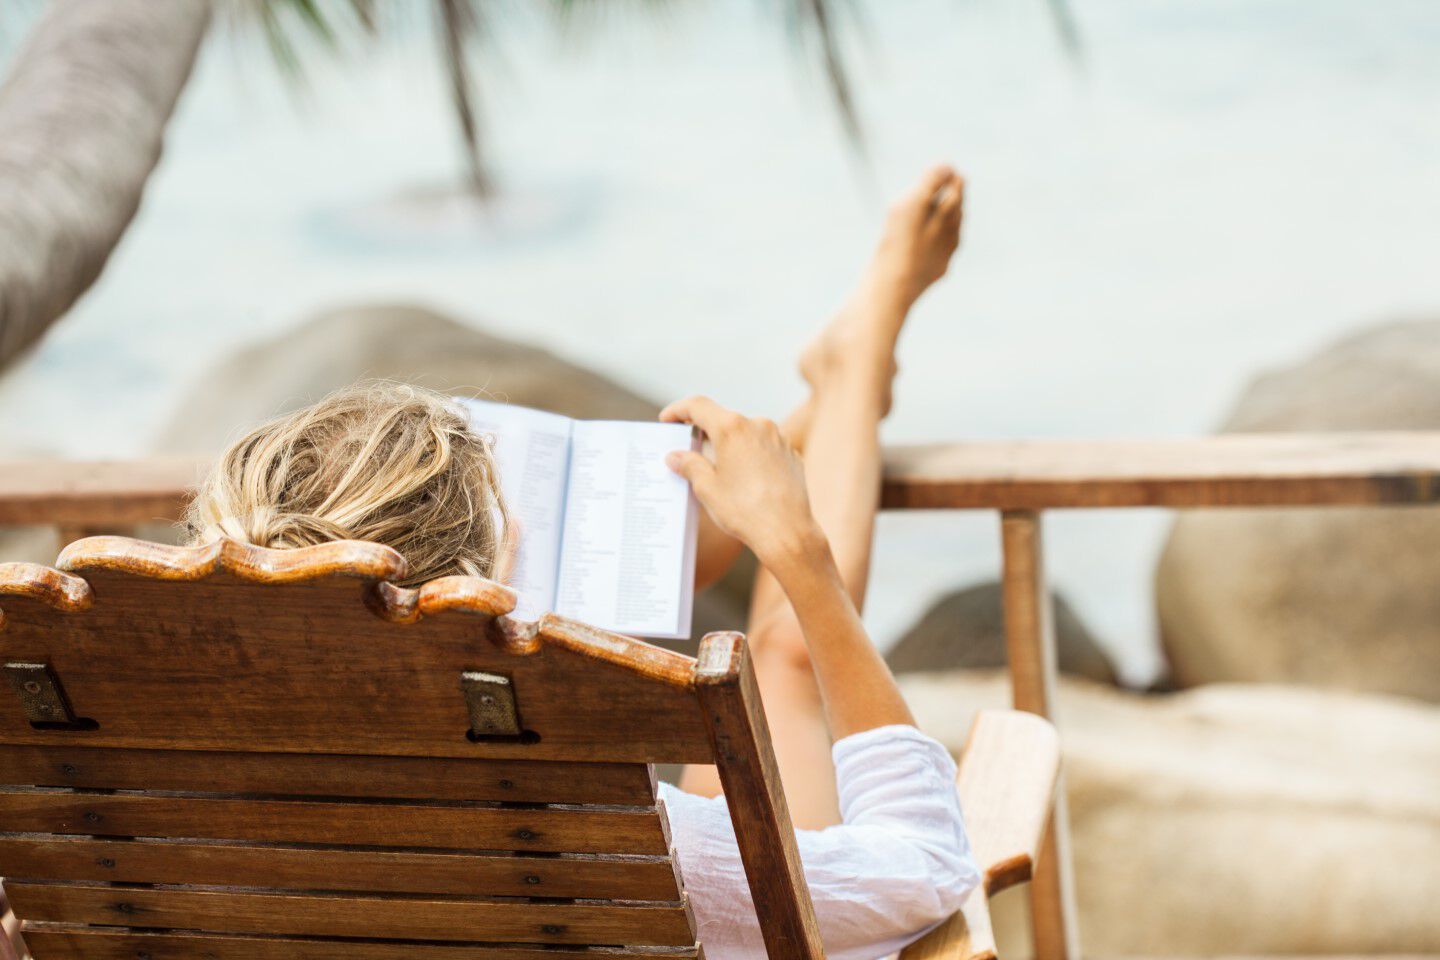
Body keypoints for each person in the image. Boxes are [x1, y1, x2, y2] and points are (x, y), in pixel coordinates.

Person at [187, 165, 977, 960]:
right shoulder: (620, 839)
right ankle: (853, 368)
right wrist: (802, 560)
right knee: (788, 664)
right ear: (477, 586)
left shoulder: (159, 801)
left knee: (781, 672)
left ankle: (839, 387)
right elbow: (925, 867)